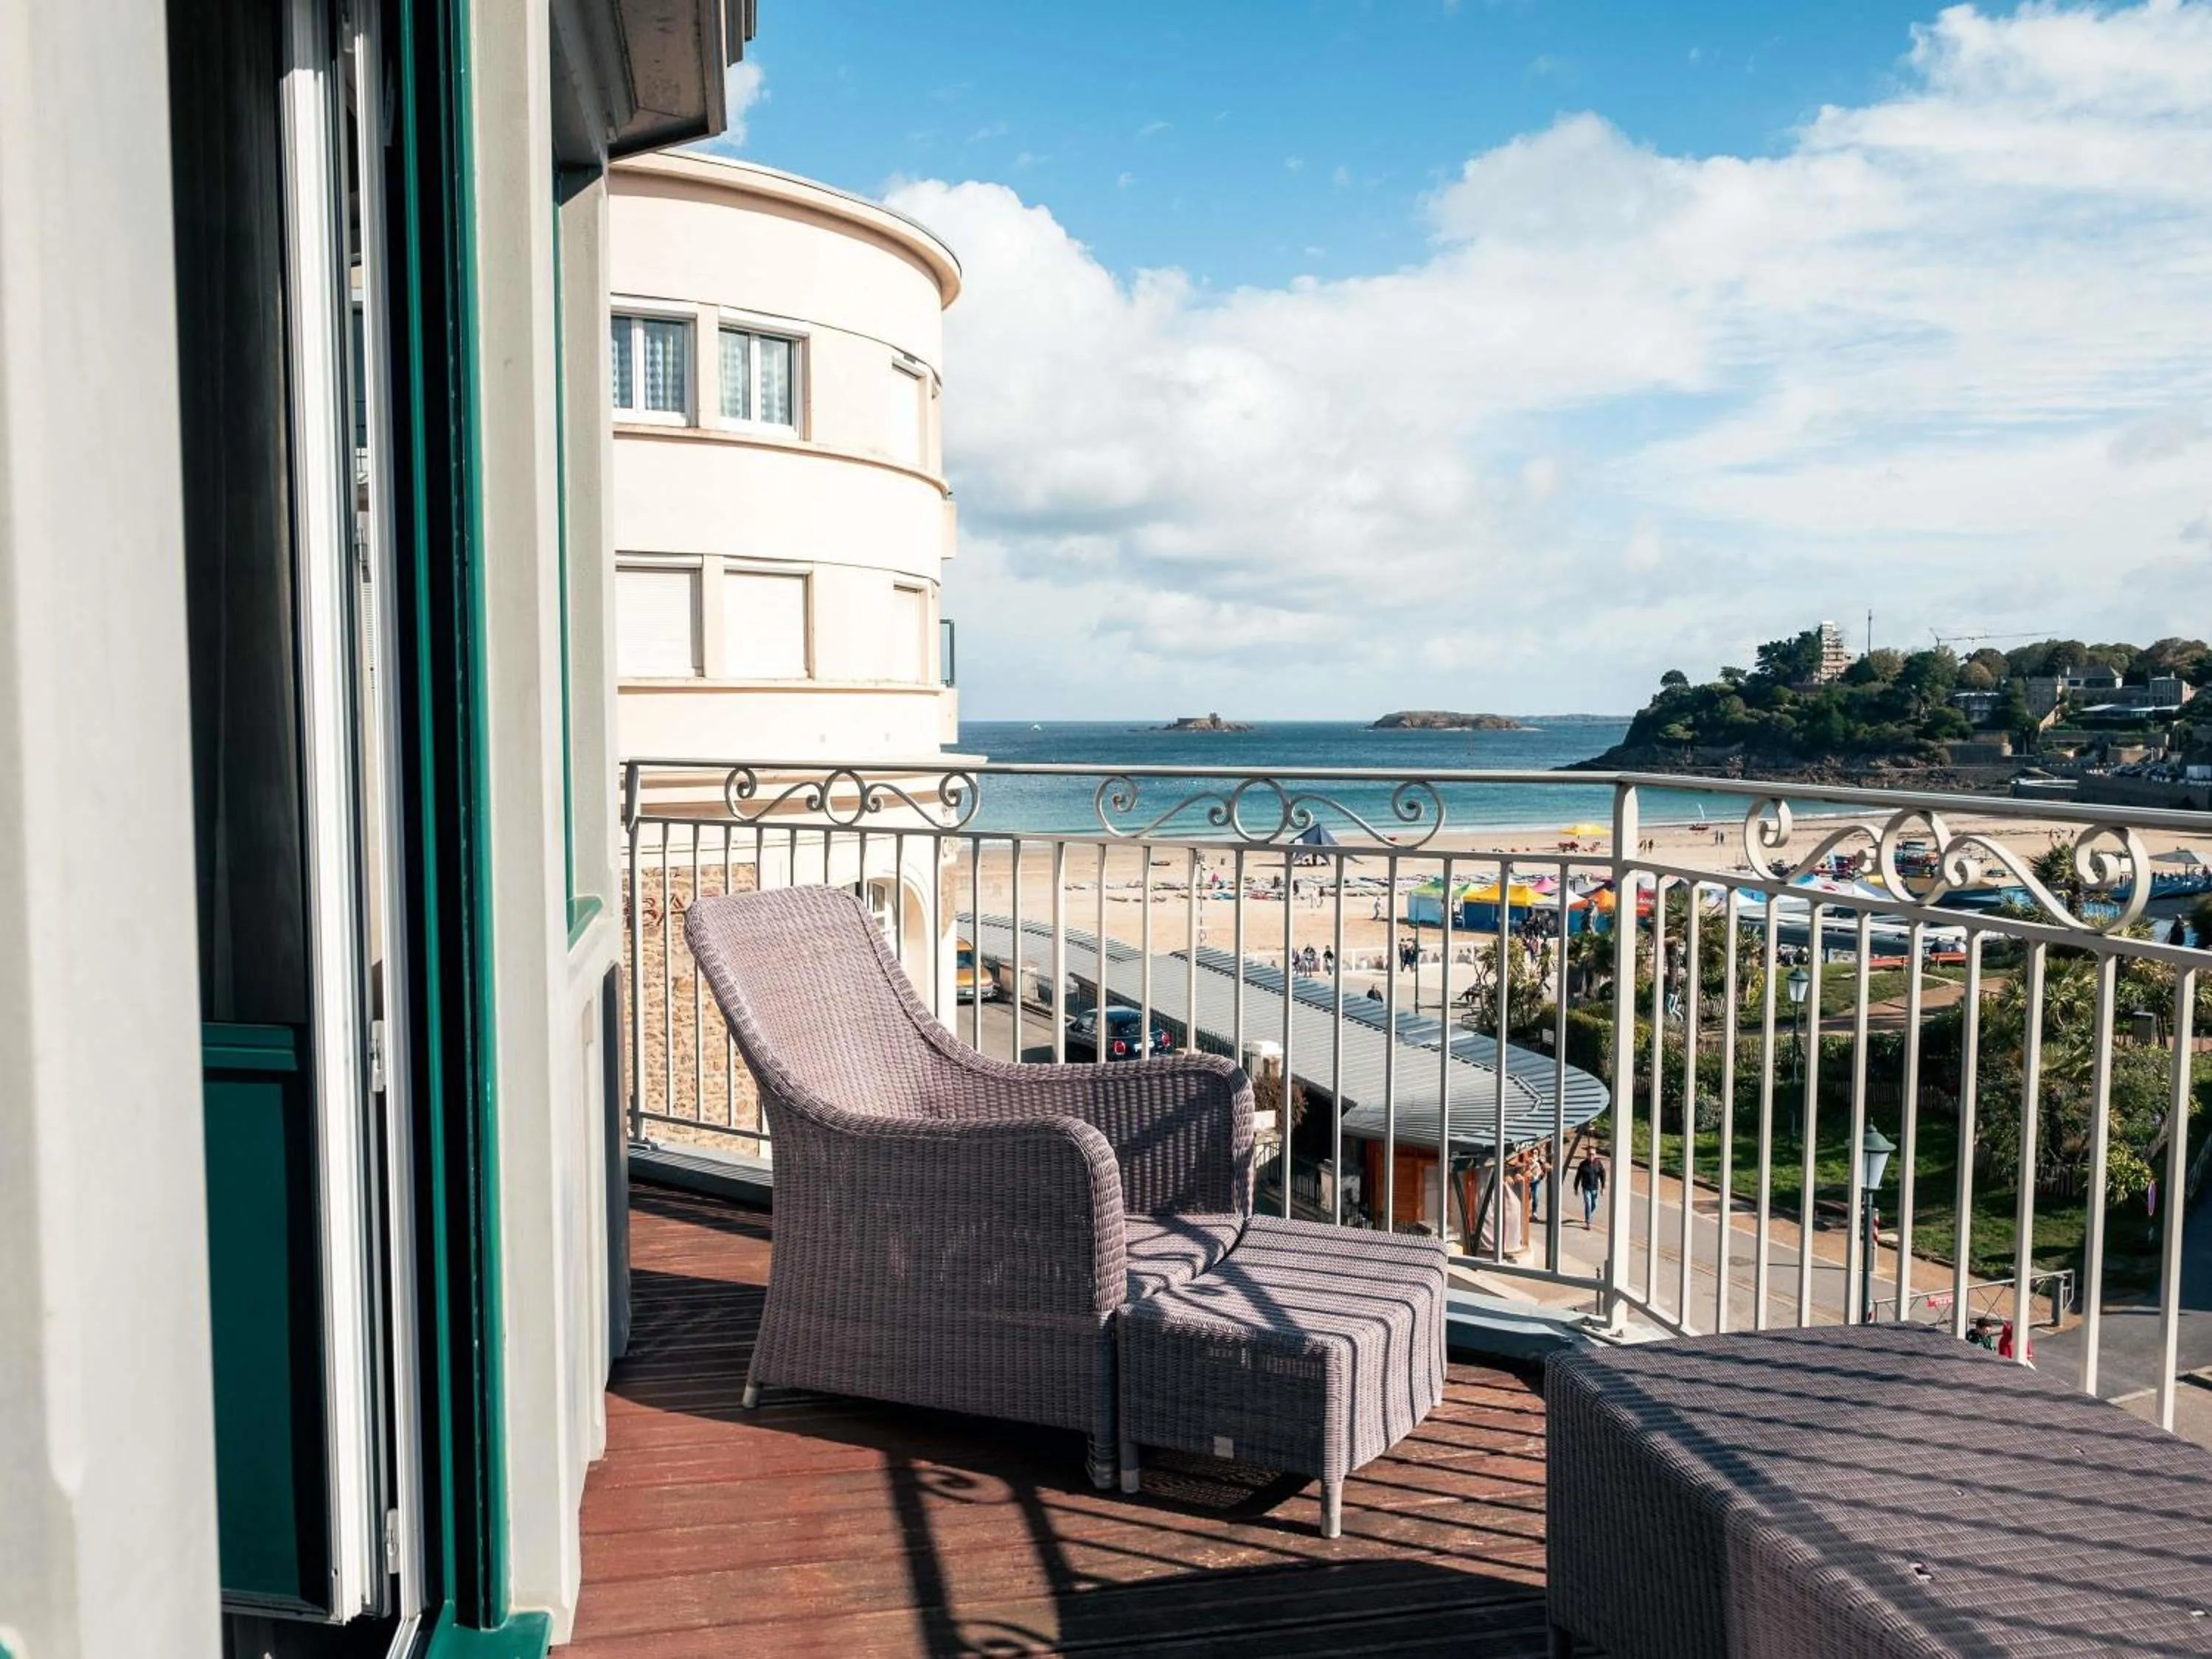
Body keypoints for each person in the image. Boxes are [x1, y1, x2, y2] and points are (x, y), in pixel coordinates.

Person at [1574, 1150, 1607, 1227]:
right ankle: (1588, 1222)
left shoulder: (1598, 1164)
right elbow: (1578, 1177)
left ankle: (1588, 1216)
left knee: (1594, 1204)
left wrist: (1603, 1187)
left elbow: (1603, 1175)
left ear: (1595, 1155)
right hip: (1586, 1188)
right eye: (1589, 1154)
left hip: (1595, 1188)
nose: (1591, 1156)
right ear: (1587, 1155)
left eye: (1593, 1154)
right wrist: (1576, 1188)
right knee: (1588, 1203)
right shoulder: (1583, 1164)